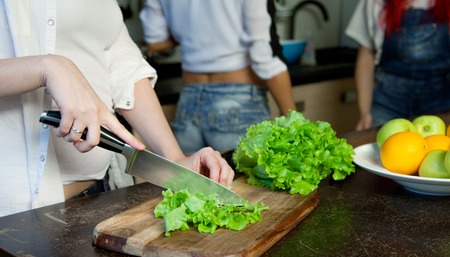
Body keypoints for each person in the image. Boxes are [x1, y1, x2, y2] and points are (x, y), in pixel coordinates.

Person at [0, 0, 234, 217]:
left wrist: (175, 158)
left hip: (100, 193)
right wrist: (48, 67)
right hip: (21, 215)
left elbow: (122, 63)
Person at [139, 0, 297, 154]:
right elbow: (263, 55)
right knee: (241, 181)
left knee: (188, 180)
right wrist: (293, 121)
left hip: (189, 102)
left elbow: (155, 41)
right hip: (238, 104)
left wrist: (192, 33)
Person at [346, 0, 450, 130]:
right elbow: (366, 60)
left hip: (441, 102)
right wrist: (365, 113)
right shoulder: (375, 3)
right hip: (387, 103)